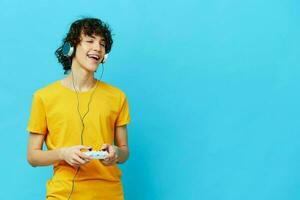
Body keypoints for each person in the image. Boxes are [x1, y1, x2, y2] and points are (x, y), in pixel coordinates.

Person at [26, 17, 130, 200]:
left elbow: (124, 151)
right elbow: (32, 156)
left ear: (105, 55)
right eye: (90, 41)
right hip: (62, 194)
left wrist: (116, 153)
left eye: (102, 44)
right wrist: (63, 153)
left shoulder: (117, 96)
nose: (97, 48)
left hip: (110, 194)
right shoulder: (43, 97)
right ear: (71, 47)